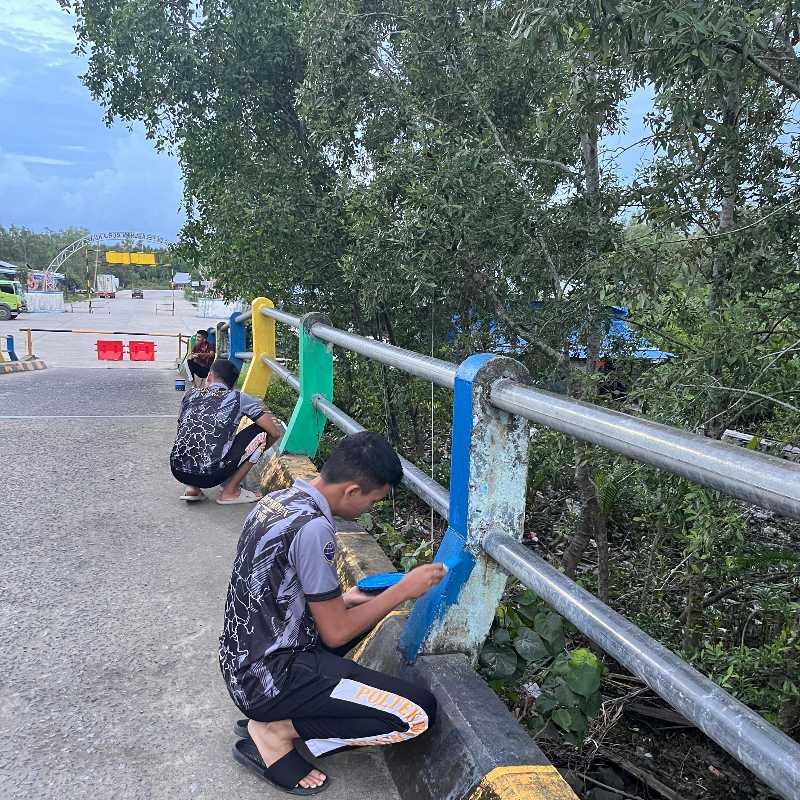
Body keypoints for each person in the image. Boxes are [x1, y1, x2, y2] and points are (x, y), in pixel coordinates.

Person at [219, 432, 446, 794]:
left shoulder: (277, 500)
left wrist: (348, 597)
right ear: (353, 491)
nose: (367, 510)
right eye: (371, 502)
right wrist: (404, 590)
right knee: (418, 714)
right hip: (270, 679)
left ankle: (276, 717)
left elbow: (273, 587)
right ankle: (276, 730)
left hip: (241, 662)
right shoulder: (314, 528)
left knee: (357, 611)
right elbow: (336, 634)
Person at [170, 358, 282, 505]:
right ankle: (230, 491)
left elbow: (181, 430)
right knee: (262, 432)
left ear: (209, 376)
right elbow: (274, 433)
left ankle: (192, 488)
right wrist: (252, 454)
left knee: (195, 430)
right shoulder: (239, 398)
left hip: (177, 469)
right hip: (211, 476)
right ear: (233, 384)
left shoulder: (190, 394)